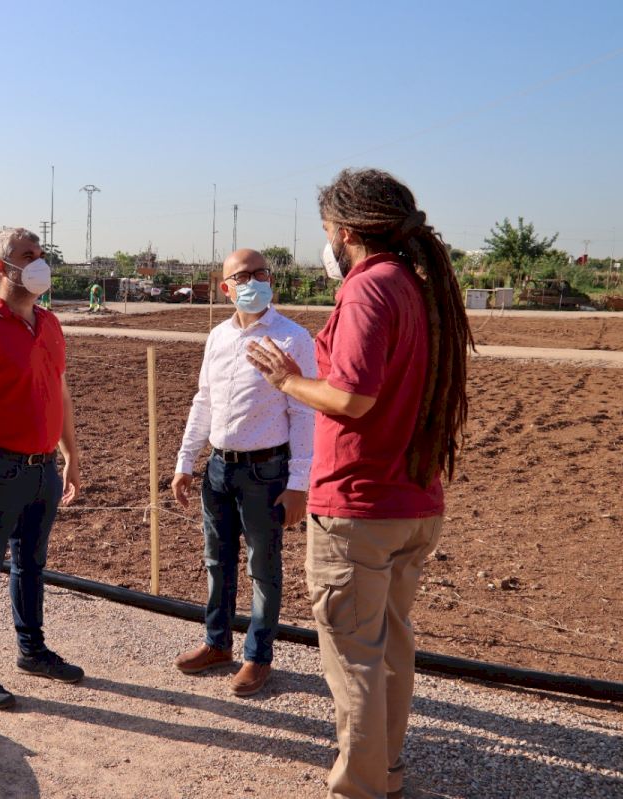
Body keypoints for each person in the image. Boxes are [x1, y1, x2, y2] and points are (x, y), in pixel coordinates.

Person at [246, 168, 472, 799]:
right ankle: (386, 769)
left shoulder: (369, 287)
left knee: (354, 660)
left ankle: (363, 787)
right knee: (391, 649)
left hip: (359, 506)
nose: (327, 242)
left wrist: (289, 381)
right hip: (412, 500)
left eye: (326, 229)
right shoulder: (416, 287)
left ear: (345, 231)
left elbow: (352, 398)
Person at [0, 226, 83, 709]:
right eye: (29, 255)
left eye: (41, 253)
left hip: (43, 470)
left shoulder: (49, 323)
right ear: (2, 267)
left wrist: (71, 454)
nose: (40, 261)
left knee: (31, 565)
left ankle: (32, 650)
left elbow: (60, 392)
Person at [171, 249, 316, 697]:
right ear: (225, 288)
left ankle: (258, 655)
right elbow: (204, 400)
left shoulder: (293, 338)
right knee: (217, 561)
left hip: (265, 472)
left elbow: (304, 414)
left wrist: (298, 485)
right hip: (218, 469)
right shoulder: (217, 337)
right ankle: (217, 644)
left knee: (263, 566)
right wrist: (185, 461)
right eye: (243, 276)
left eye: (261, 273)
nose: (254, 281)